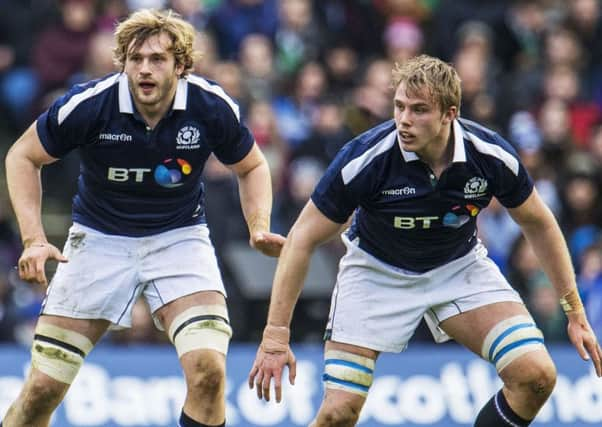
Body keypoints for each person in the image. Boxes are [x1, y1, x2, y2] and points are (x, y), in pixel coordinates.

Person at [248, 54, 602, 426]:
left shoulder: (490, 156)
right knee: (338, 413)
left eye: (419, 110)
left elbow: (540, 224)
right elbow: (301, 239)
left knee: (536, 377)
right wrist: (275, 336)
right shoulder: (364, 158)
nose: (403, 120)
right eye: (399, 107)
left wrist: (575, 312)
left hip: (457, 267)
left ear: (450, 114)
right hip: (375, 272)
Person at [3, 9, 285, 427]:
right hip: (97, 240)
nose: (144, 70)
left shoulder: (210, 106)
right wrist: (33, 239)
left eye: (157, 59)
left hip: (179, 238)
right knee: (42, 390)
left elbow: (253, 166)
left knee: (208, 372)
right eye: (135, 59)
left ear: (182, 65)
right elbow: (23, 156)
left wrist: (258, 224)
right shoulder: (90, 104)